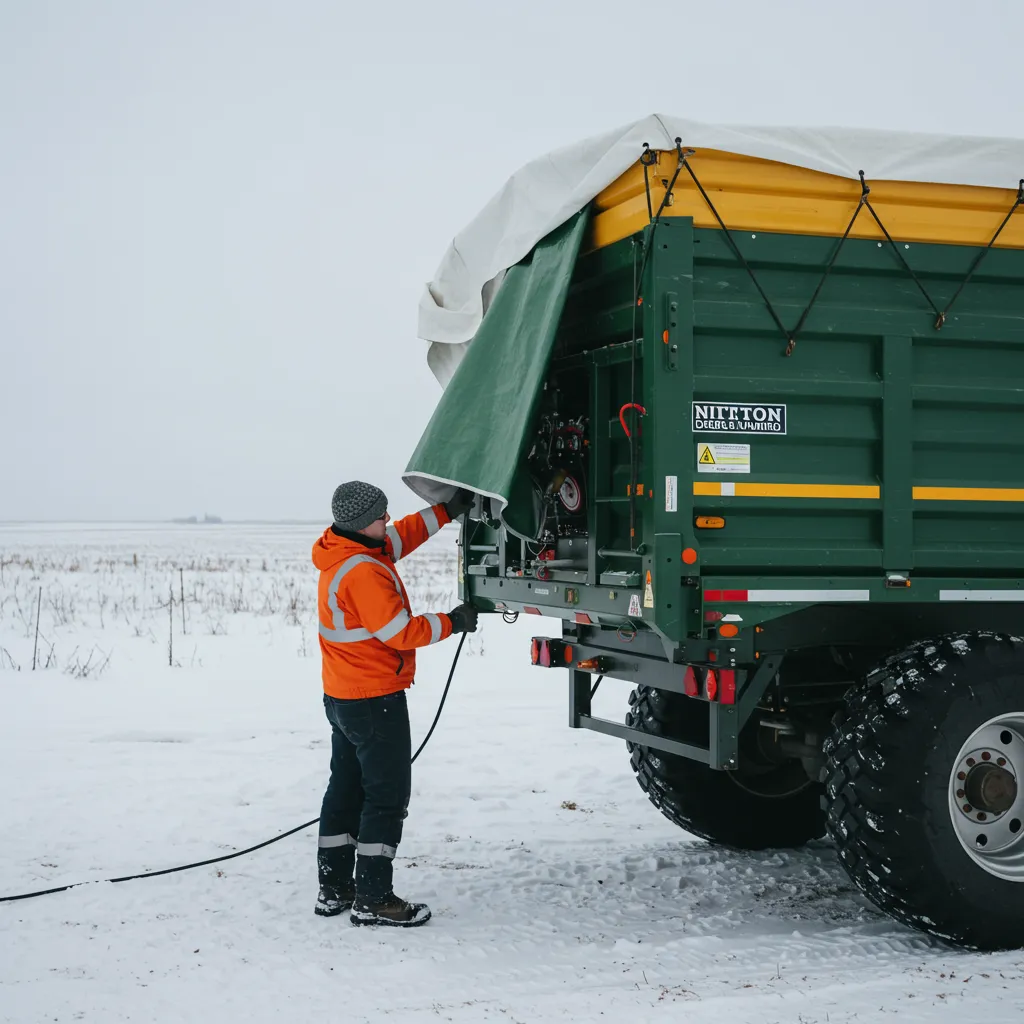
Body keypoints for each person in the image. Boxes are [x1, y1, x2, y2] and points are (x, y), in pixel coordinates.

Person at [312, 480, 477, 927]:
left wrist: (446, 512)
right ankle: (374, 898)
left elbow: (402, 534)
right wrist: (453, 621)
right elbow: (401, 632)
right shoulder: (362, 572)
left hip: (344, 697)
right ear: (364, 523)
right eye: (381, 515)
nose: (388, 520)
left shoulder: (346, 551)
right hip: (373, 700)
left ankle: (335, 889)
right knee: (385, 798)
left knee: (345, 790)